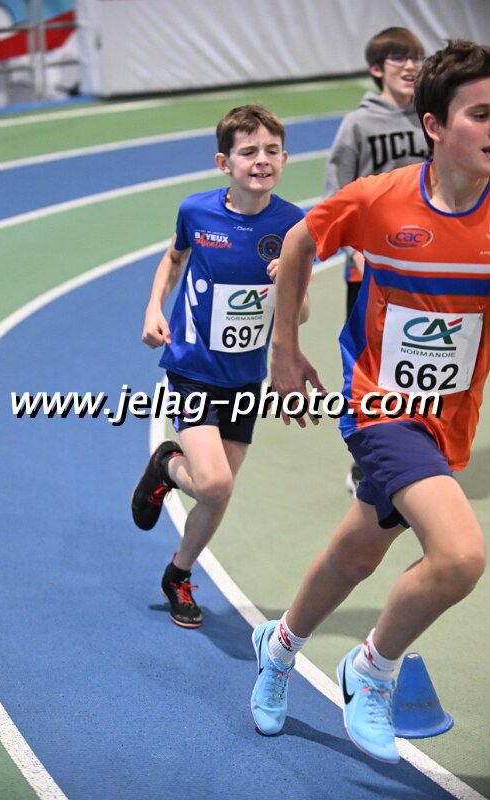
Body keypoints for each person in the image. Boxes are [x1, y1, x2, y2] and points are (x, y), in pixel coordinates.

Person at [250, 40, 490, 764]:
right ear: (434, 126)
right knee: (459, 556)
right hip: (378, 407)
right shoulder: (378, 200)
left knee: (354, 554)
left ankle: (279, 647)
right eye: (480, 114)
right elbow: (298, 242)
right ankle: (371, 669)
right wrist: (284, 350)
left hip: (449, 419)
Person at [130, 104, 309, 628]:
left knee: (217, 493)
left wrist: (286, 282)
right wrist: (153, 307)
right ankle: (168, 464)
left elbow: (300, 311)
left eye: (272, 150)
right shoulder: (197, 212)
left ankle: (178, 574)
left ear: (284, 158)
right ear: (224, 162)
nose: (262, 160)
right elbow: (174, 257)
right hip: (192, 365)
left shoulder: (295, 224)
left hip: (245, 376)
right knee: (213, 484)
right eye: (248, 152)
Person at [322, 26, 429, 495]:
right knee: (370, 371)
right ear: (376, 69)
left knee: (422, 360)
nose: (410, 66)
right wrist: (353, 248)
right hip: (369, 270)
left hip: (426, 268)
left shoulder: (433, 119)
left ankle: (418, 456)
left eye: (417, 57)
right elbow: (335, 196)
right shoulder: (357, 125)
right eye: (399, 58)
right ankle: (366, 463)